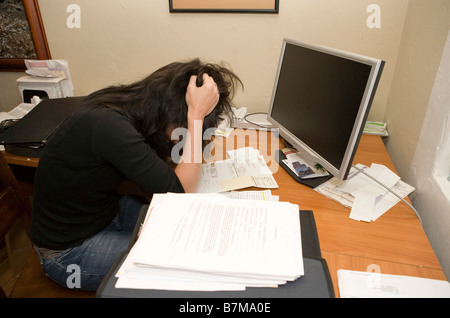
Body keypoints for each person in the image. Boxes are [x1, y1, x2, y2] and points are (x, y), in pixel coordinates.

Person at [30, 58, 242, 291]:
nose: (180, 139)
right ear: (172, 112)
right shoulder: (109, 125)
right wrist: (196, 117)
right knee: (183, 265)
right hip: (69, 251)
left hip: (104, 214)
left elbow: (160, 186)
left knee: (197, 235)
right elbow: (179, 195)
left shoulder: (131, 110)